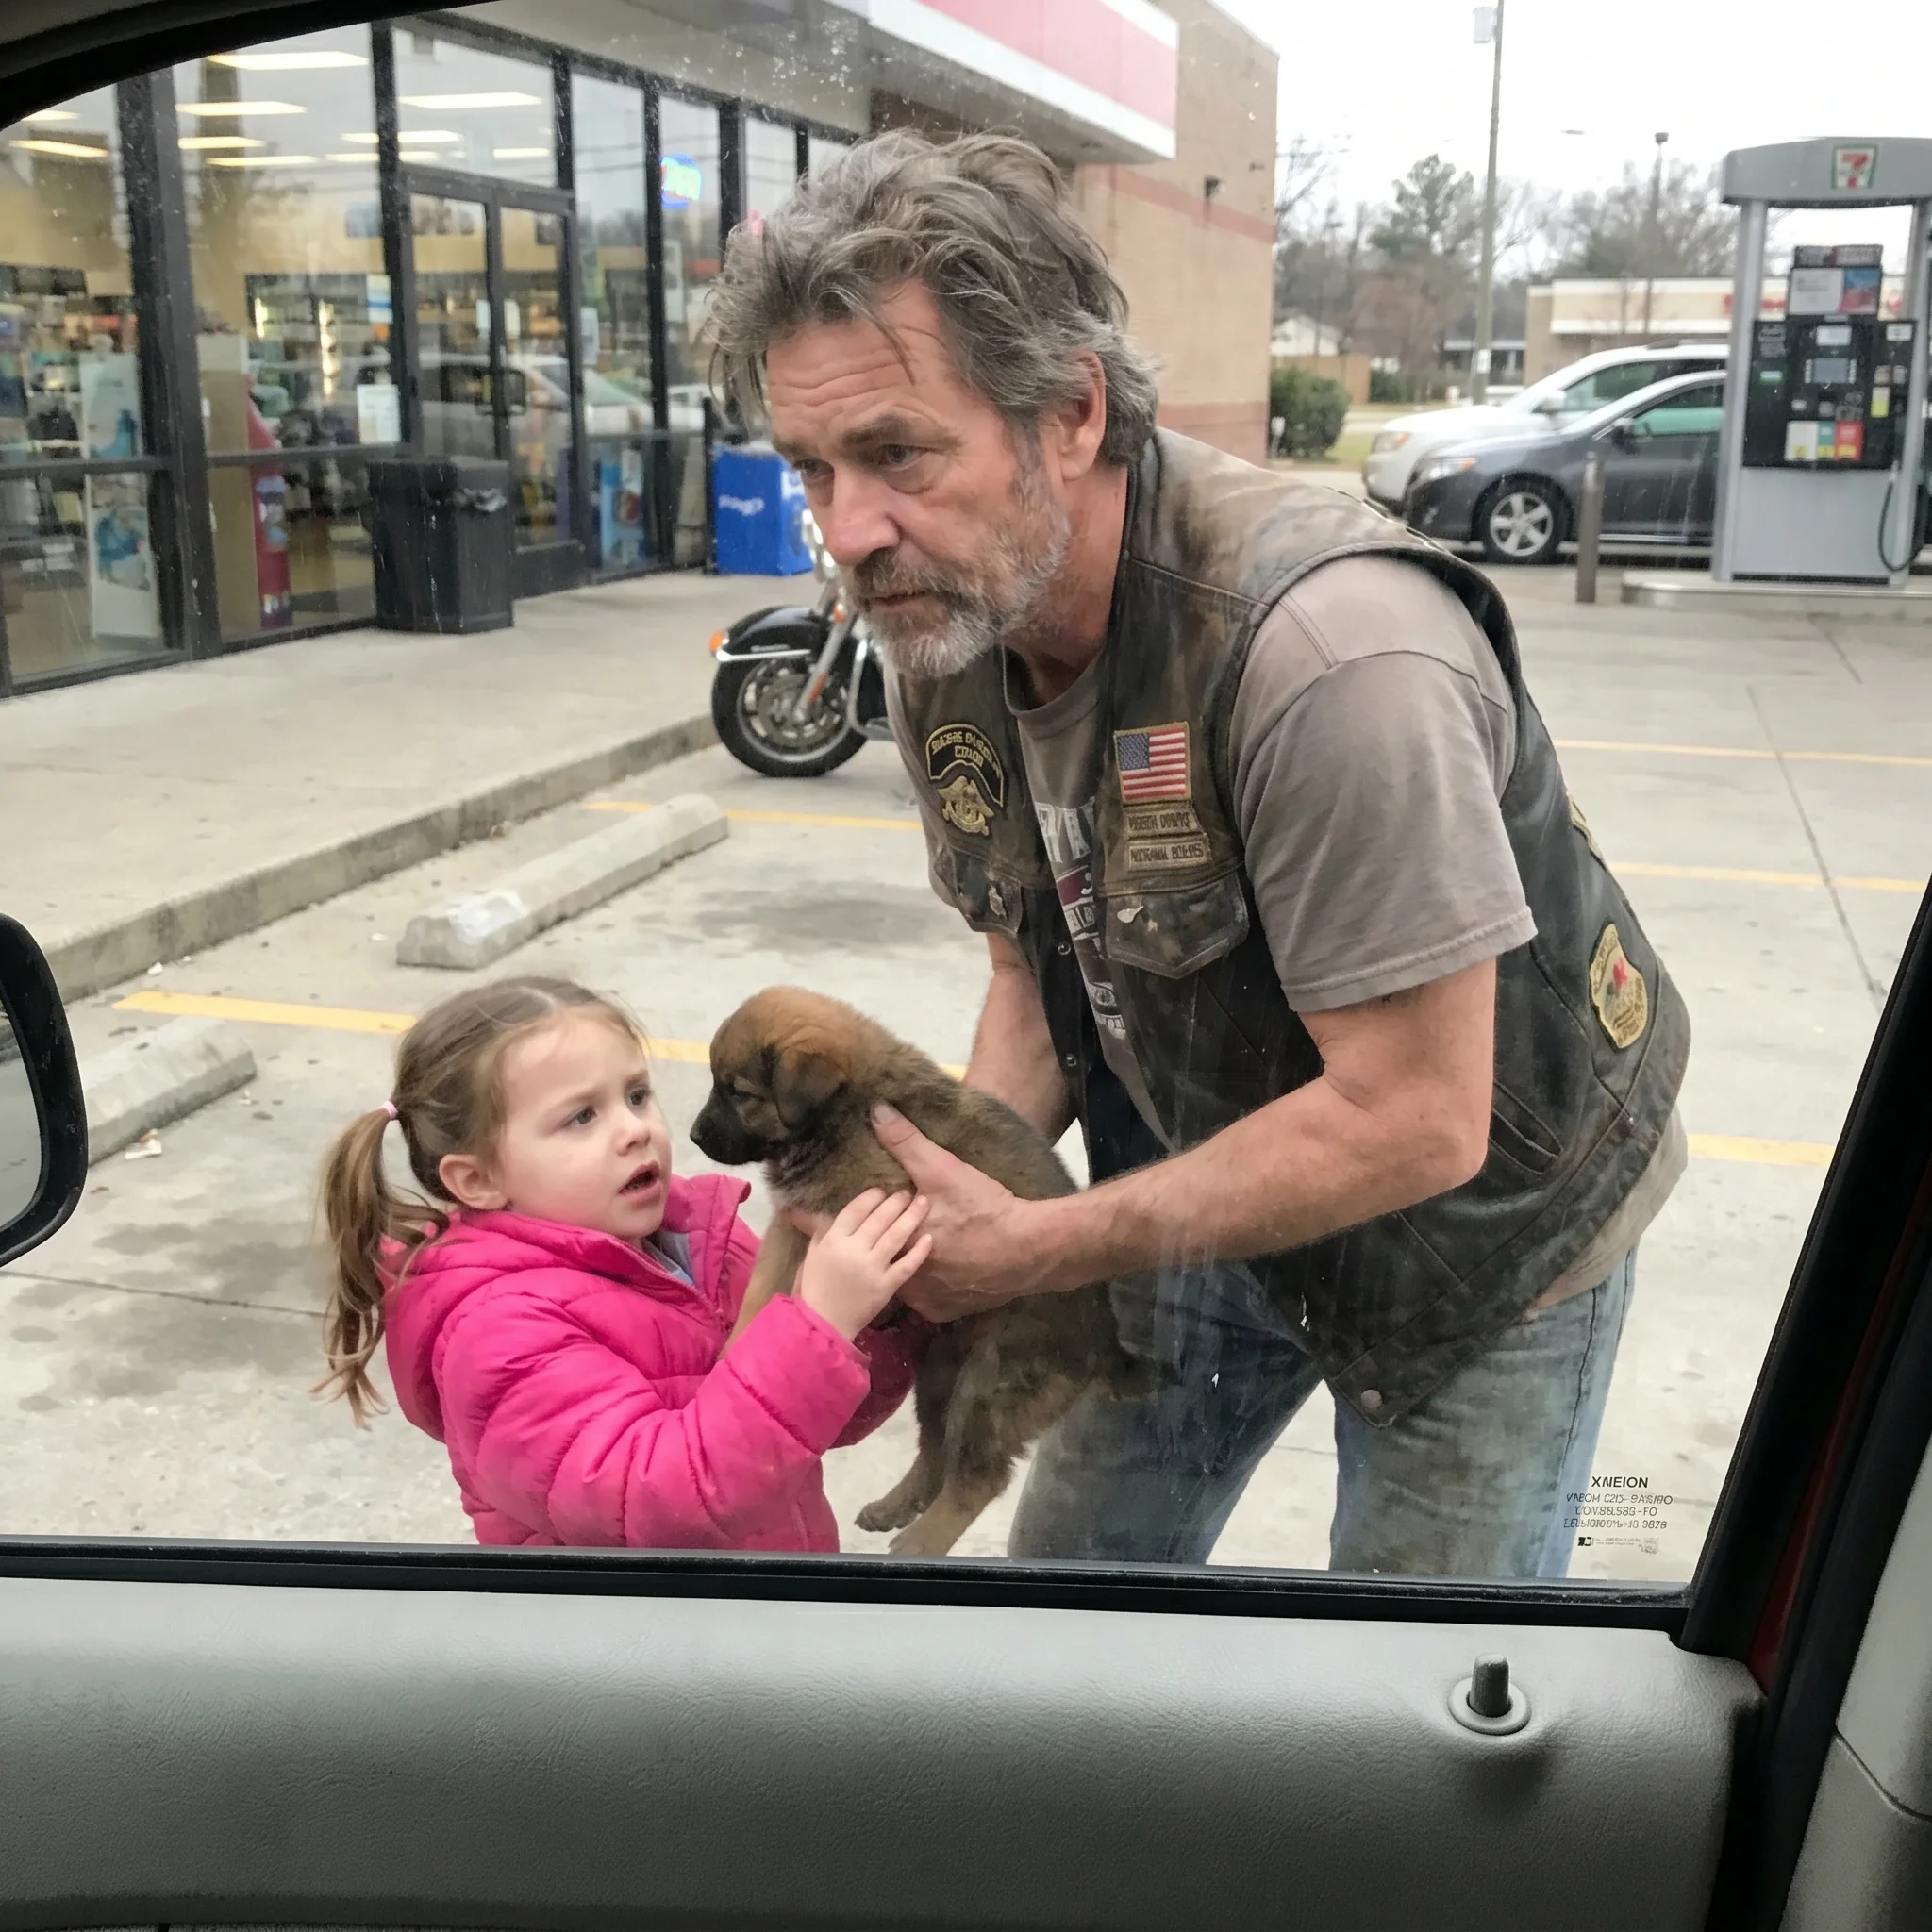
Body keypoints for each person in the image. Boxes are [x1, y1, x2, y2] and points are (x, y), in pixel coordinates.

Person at [706, 132, 1691, 1578]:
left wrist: (1043, 1247)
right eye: (812, 468)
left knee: (1411, 1726)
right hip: (1197, 1177)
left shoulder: (1331, 655)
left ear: (1071, 417)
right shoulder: (944, 623)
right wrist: (931, 1202)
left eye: (899, 452)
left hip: (1481, 1247)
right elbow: (1033, 982)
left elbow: (1419, 1117)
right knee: (1069, 1609)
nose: (848, 533)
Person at [317, 976, 931, 1551]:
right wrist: (818, 1326)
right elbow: (658, 1503)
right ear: (477, 1180)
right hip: (642, 1651)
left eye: (636, 1096)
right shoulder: (499, 1334)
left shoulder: (704, 1244)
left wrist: (876, 1312)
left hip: (762, 1620)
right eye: (581, 1116)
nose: (634, 1130)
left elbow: (820, 1421)